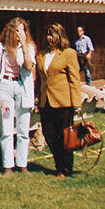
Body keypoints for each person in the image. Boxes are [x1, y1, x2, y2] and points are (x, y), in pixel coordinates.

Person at [0, 17, 36, 177]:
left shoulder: (28, 47)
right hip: (6, 88)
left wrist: (24, 47)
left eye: (22, 31)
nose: (19, 34)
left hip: (22, 87)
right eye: (16, 31)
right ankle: (8, 166)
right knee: (6, 129)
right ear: (10, 32)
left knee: (23, 128)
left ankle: (23, 164)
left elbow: (29, 67)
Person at [36, 23, 82, 179]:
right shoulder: (41, 55)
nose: (49, 38)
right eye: (48, 34)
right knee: (49, 134)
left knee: (64, 136)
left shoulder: (68, 54)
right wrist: (38, 100)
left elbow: (75, 79)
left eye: (53, 34)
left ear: (60, 36)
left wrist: (77, 103)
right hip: (46, 102)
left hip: (63, 102)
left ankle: (65, 168)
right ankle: (59, 164)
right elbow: (39, 81)